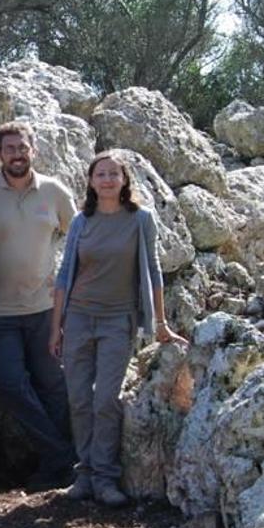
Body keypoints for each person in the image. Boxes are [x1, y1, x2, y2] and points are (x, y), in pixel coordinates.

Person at [50, 150, 187, 507]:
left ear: (125, 180)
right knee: (79, 399)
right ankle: (84, 475)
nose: (107, 179)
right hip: (78, 318)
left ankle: (106, 479)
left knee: (105, 399)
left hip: (118, 319)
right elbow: (64, 275)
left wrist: (160, 324)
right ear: (91, 182)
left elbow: (154, 271)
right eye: (101, 174)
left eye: (114, 174)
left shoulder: (140, 219)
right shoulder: (82, 221)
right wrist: (56, 328)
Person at [0, 121, 78, 491]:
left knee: (53, 385)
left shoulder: (55, 192)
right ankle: (62, 457)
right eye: (9, 148)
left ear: (33, 149)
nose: (17, 154)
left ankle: (55, 466)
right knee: (11, 384)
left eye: (22, 147)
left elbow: (78, 246)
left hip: (43, 310)